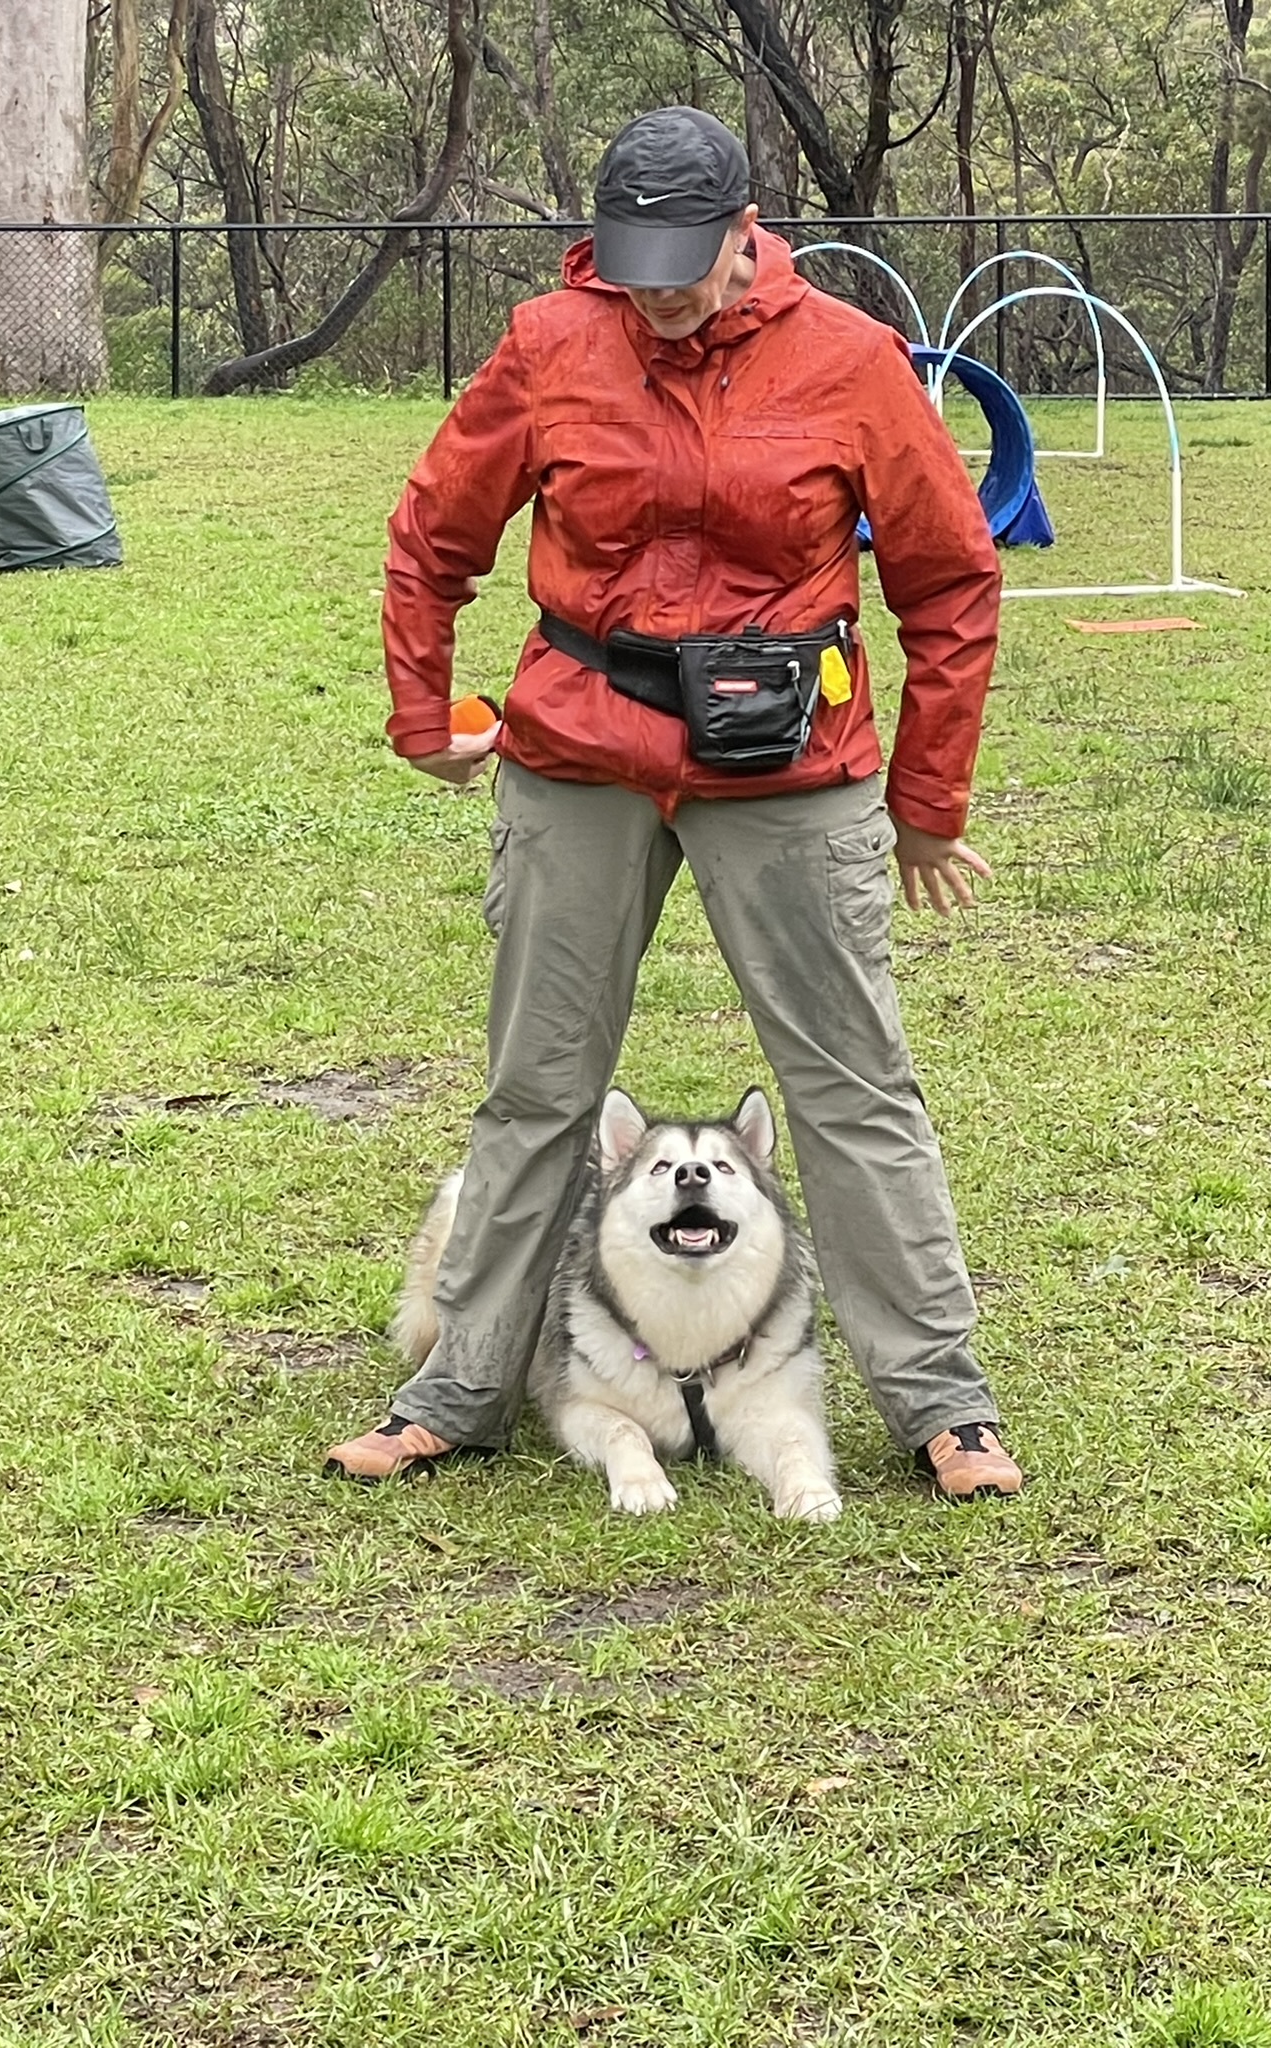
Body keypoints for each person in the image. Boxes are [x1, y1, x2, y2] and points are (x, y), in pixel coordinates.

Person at [325, 105, 1023, 1503]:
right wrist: (422, 712)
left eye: (681, 262)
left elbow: (948, 582)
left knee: (851, 1086)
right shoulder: (547, 345)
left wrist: (927, 797)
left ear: (745, 230)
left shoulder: (853, 362)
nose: (656, 290)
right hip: (582, 743)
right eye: (631, 262)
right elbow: (432, 537)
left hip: (789, 759)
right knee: (537, 1089)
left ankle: (942, 1402)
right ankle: (458, 1386)